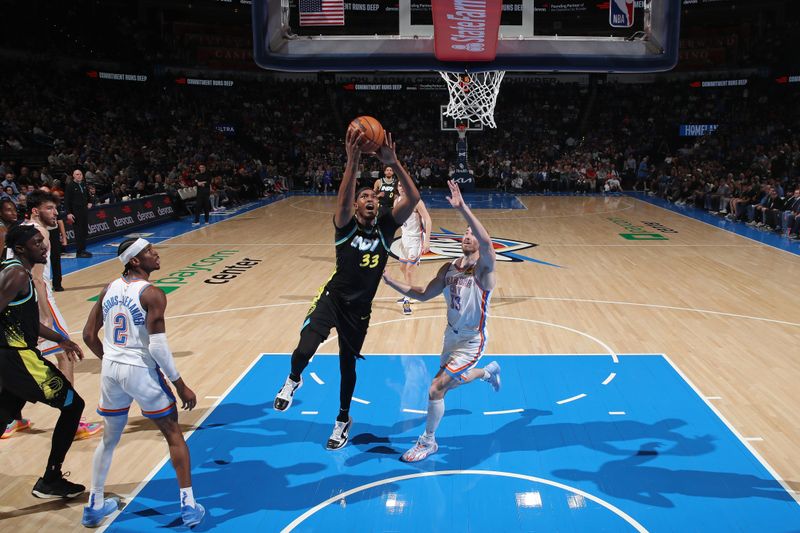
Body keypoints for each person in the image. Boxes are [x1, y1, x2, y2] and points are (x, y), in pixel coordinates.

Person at [273, 129, 421, 450]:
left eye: (374, 197)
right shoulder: (345, 225)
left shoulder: (385, 227)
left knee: (347, 367)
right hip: (333, 299)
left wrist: (394, 162)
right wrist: (352, 161)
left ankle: (342, 420)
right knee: (304, 349)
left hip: (359, 312)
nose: (370, 199)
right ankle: (293, 379)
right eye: (364, 197)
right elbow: (343, 197)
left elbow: (414, 198)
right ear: (355, 206)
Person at [81, 238, 204, 528]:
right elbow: (159, 348)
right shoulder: (152, 294)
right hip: (140, 371)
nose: (155, 253)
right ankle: (188, 505)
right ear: (134, 261)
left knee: (109, 439)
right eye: (148, 251)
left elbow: (88, 335)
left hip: (111, 370)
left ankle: (94, 506)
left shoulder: (107, 289)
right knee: (173, 433)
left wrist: (111, 359)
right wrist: (180, 384)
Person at [382, 180, 500, 463]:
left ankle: (428, 441)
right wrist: (388, 281)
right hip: (451, 336)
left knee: (435, 387)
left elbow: (487, 244)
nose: (468, 235)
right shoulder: (449, 269)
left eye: (473, 233)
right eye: (465, 232)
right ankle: (487, 372)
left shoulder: (483, 270)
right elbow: (422, 294)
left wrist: (462, 208)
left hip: (472, 340)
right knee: (448, 386)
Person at [0, 224, 87, 496]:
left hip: (13, 359)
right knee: (74, 405)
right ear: (22, 248)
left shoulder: (19, 272)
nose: (44, 245)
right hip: (19, 359)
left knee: (3, 415)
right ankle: (51, 478)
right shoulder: (15, 274)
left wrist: (61, 338)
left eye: (43, 241)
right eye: (37, 242)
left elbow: (26, 321)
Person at [22, 190, 103, 439]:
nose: (55, 213)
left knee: (20, 360)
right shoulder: (39, 233)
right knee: (66, 354)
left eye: (56, 208)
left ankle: (11, 418)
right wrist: (45, 316)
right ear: (36, 211)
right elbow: (36, 278)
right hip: (38, 298)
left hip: (18, 300)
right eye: (49, 208)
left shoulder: (21, 229)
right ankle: (73, 421)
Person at [393, 182, 432, 315]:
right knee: (403, 268)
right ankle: (410, 291)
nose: (401, 187)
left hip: (415, 240)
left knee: (409, 270)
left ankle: (407, 299)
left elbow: (428, 219)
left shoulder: (416, 201)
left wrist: (427, 241)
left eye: (403, 185)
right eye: (399, 185)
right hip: (404, 238)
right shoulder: (397, 200)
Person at [64, 168, 92, 258]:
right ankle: (79, 252)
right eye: (77, 174)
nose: (79, 176)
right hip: (75, 212)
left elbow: (88, 195)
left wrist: (90, 202)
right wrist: (68, 213)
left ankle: (83, 249)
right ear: (73, 176)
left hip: (84, 211)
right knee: (78, 232)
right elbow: (66, 201)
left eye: (80, 174)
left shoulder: (84, 184)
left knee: (84, 231)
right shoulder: (70, 186)